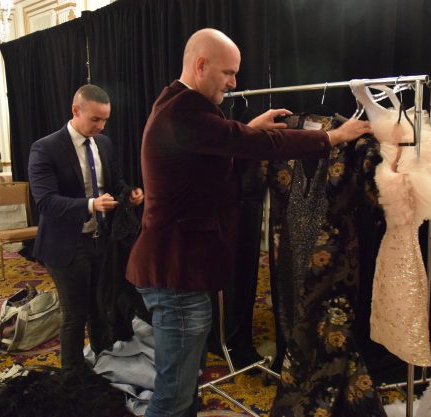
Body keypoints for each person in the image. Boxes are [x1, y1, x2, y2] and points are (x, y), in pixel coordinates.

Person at [125, 28, 371, 417]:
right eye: (228, 73)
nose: (234, 82)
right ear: (201, 64)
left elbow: (220, 146)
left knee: (184, 385)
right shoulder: (185, 110)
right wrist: (333, 137)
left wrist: (250, 128)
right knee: (173, 393)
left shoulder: (175, 102)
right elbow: (257, 147)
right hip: (175, 272)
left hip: (177, 270)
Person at [28, 84, 144, 370]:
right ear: (75, 110)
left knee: (100, 307)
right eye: (95, 119)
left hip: (100, 240)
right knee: (75, 314)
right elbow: (45, 202)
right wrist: (90, 205)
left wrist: (129, 194)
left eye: (105, 119)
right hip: (65, 245)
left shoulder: (103, 143)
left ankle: (103, 363)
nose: (101, 126)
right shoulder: (45, 148)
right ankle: (73, 377)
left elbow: (114, 184)